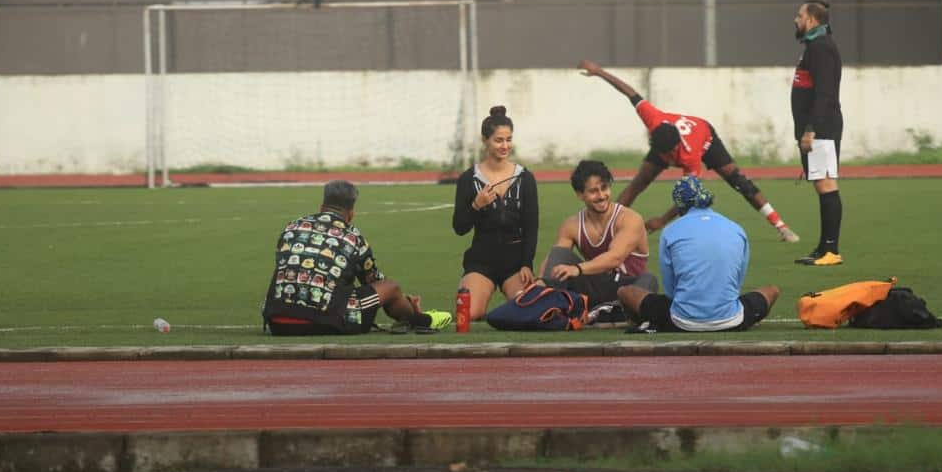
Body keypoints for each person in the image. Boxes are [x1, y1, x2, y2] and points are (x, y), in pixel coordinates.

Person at [577, 59, 799, 243]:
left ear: (674, 150)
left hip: (705, 136)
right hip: (675, 136)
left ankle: (782, 226)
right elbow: (630, 92)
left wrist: (662, 220)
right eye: (660, 154)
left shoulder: (690, 156)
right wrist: (599, 72)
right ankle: (607, 228)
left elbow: (689, 196)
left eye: (666, 156)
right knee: (639, 182)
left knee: (739, 182)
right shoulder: (654, 119)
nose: (664, 160)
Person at [262, 180, 452, 335]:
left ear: (322, 206)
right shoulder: (353, 237)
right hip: (325, 321)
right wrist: (405, 302)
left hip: (278, 321)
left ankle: (413, 313)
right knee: (391, 287)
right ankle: (420, 318)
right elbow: (376, 283)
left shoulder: (292, 227)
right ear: (351, 214)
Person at [617, 176, 780, 332]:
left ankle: (642, 323)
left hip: (681, 322)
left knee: (626, 292)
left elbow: (670, 290)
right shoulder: (736, 228)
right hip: (732, 320)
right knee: (772, 290)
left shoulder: (670, 231)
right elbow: (737, 282)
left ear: (679, 206)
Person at [452, 106, 539, 321]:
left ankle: (508, 305)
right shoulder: (468, 179)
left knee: (528, 312)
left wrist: (527, 263)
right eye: (498, 140)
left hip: (515, 262)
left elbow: (531, 226)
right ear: (485, 140)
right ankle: (485, 300)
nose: (505, 145)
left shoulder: (524, 178)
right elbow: (459, 228)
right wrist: (476, 205)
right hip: (482, 260)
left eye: (509, 139)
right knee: (469, 313)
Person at [539, 159, 658, 312]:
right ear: (580, 194)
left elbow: (615, 258)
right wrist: (540, 281)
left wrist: (578, 269)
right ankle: (542, 301)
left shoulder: (629, 219)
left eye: (604, 188)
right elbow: (553, 259)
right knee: (558, 253)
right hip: (596, 288)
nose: (601, 196)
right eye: (593, 191)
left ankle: (612, 312)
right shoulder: (572, 225)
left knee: (649, 279)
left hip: (629, 289)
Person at [791, 0, 844, 266]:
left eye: (799, 15)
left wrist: (811, 129)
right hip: (815, 128)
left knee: (826, 185)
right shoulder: (814, 47)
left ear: (812, 20)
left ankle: (831, 251)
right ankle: (823, 248)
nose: (796, 19)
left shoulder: (822, 48)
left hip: (821, 128)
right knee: (821, 185)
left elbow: (825, 94)